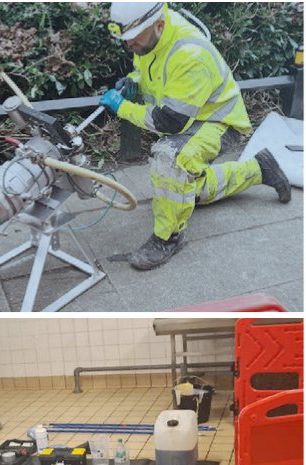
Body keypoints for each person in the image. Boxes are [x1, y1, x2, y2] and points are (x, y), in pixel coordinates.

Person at [99, 2, 291, 270]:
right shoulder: (148, 36)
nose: (129, 43)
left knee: (171, 159)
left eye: (134, 36)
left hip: (219, 120)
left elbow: (168, 122)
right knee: (186, 188)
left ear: (160, 24)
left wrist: (123, 108)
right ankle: (259, 169)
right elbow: (149, 70)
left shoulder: (189, 53)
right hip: (192, 115)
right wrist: (134, 81)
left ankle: (168, 239)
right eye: (125, 38)